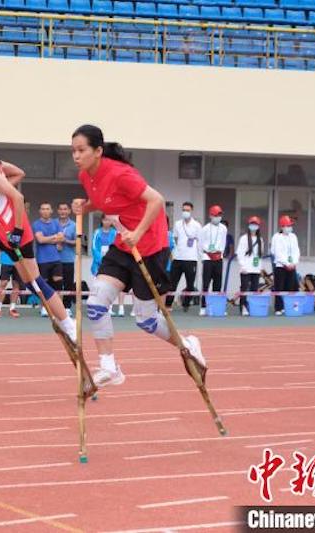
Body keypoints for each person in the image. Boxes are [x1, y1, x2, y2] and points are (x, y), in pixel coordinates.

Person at [70, 124, 205, 388]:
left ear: (98, 151)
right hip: (123, 246)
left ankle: (187, 343)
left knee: (147, 321)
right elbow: (106, 201)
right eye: (73, 151)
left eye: (81, 150)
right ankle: (109, 367)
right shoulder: (85, 176)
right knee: (96, 303)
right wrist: (84, 207)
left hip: (150, 246)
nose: (76, 156)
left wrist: (139, 232)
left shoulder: (121, 174)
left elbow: (156, 200)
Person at [0, 127, 76, 341]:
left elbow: (18, 198)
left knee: (35, 283)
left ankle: (68, 323)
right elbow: (19, 173)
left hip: (15, 232)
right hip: (0, 230)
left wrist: (17, 231)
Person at [165, 202, 201, 312]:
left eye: (187, 210)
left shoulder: (197, 225)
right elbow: (175, 239)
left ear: (191, 211)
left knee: (190, 284)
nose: (185, 212)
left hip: (191, 259)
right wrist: (176, 252)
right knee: (172, 283)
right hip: (178, 258)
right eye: (184, 210)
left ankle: (186, 304)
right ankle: (168, 305)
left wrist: (200, 256)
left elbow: (200, 241)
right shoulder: (177, 224)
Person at [32, 202, 65, 318]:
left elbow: (61, 237)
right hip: (42, 260)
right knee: (44, 284)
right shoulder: (36, 224)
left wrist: (49, 238)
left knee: (58, 284)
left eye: (47, 209)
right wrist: (54, 237)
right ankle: (44, 308)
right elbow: (40, 240)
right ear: (40, 211)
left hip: (56, 259)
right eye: (43, 209)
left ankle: (60, 309)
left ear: (51, 211)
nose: (45, 211)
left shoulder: (56, 223)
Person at [91, 216, 124, 316]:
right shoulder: (97, 232)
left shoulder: (115, 233)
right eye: (105, 220)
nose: (107, 222)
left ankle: (109, 307)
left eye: (109, 220)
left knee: (109, 286)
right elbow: (94, 247)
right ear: (102, 220)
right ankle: (96, 307)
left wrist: (111, 259)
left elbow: (117, 247)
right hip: (98, 264)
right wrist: (101, 259)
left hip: (111, 263)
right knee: (98, 286)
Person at [197, 205, 227, 316]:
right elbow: (200, 245)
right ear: (210, 216)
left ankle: (216, 306)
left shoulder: (223, 228)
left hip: (218, 257)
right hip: (207, 257)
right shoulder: (204, 229)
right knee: (206, 283)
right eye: (215, 215)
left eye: (219, 215)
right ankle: (203, 306)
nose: (218, 217)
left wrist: (220, 253)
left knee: (218, 283)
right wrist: (203, 257)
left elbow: (223, 243)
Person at [270, 215, 300, 316]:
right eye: (287, 226)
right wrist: (286, 263)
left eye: (290, 226)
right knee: (279, 287)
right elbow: (276, 252)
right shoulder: (276, 237)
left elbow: (296, 251)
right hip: (280, 266)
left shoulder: (293, 236)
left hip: (292, 266)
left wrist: (294, 263)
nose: (289, 228)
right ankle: (279, 308)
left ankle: (289, 307)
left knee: (291, 287)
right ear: (282, 226)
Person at [236, 216, 264, 316]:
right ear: (249, 225)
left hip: (255, 269)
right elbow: (239, 253)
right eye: (252, 224)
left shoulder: (260, 239)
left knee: (254, 289)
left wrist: (260, 267)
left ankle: (252, 307)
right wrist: (243, 266)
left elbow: (260, 255)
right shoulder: (243, 238)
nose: (254, 226)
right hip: (246, 269)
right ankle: (243, 307)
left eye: (256, 224)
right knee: (244, 288)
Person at [56, 202, 76, 313]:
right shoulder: (53, 224)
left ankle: (67, 307)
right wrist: (56, 241)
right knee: (55, 284)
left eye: (65, 209)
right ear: (58, 211)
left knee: (68, 284)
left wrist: (65, 240)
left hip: (68, 259)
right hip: (54, 259)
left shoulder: (74, 225)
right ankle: (55, 307)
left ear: (69, 211)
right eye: (61, 209)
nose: (63, 211)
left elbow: (77, 242)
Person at [0, 250, 22, 318]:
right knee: (3, 283)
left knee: (16, 284)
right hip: (6, 260)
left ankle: (12, 309)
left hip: (18, 261)